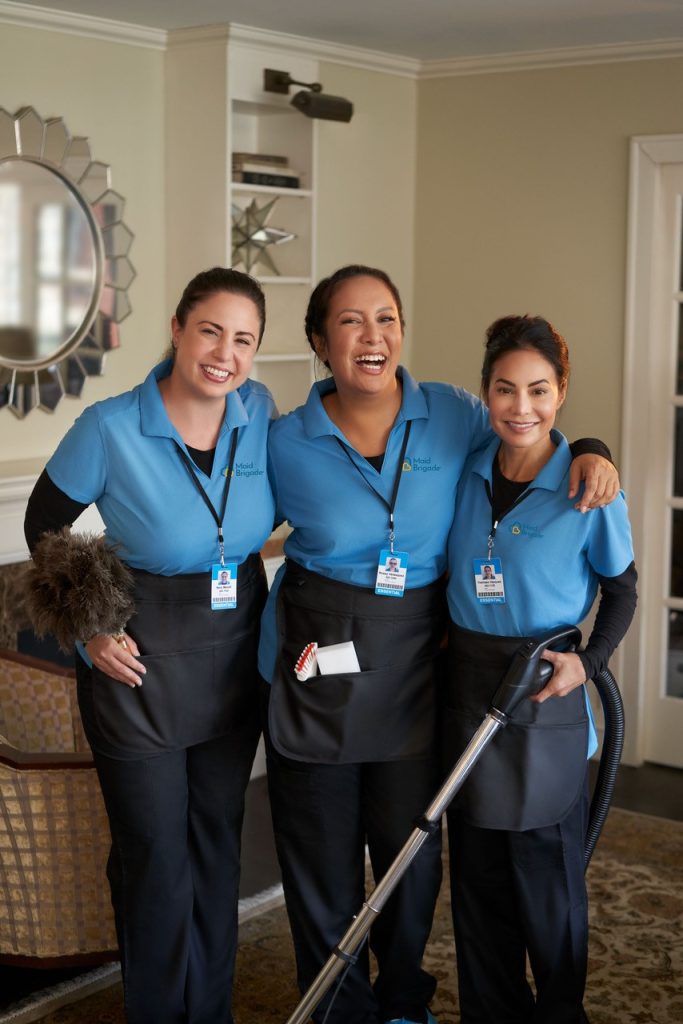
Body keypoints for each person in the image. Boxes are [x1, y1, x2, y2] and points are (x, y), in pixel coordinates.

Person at [258, 265, 620, 1024]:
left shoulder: (450, 415)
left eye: (385, 317)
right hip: (330, 665)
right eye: (351, 322)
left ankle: (403, 1001)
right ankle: (337, 1010)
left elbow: (539, 429)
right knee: (349, 860)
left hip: (428, 666)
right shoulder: (284, 439)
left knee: (415, 853)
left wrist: (590, 444)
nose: (372, 336)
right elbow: (227, 528)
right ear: (320, 341)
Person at [23, 268, 276, 1024]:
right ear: (177, 328)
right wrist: (92, 629)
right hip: (140, 671)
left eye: (243, 339)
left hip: (234, 664)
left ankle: (211, 1012)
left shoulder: (259, 411)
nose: (224, 353)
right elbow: (44, 529)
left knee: (215, 851)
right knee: (157, 863)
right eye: (210, 331)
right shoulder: (109, 426)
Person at [442, 315, 637, 1024]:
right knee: (476, 877)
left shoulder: (589, 488)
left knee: (546, 887)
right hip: (465, 686)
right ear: (484, 392)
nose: (519, 408)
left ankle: (558, 1014)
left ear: (561, 392)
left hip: (543, 688)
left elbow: (622, 590)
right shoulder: (465, 470)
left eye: (537, 390)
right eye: (503, 389)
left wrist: (587, 665)